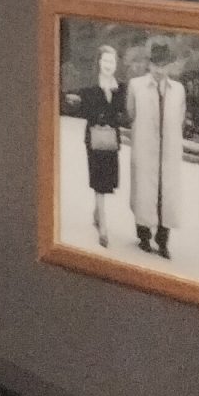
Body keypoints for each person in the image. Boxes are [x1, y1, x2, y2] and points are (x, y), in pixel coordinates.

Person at [126, 39, 188, 261]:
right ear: (149, 64)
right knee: (144, 190)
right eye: (155, 64)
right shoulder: (136, 86)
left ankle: (163, 241)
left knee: (166, 194)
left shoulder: (178, 90)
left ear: (169, 66)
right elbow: (131, 113)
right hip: (145, 147)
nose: (159, 70)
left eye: (163, 65)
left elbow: (180, 118)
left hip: (168, 150)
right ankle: (143, 236)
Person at [67, 43, 128, 249]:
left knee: (107, 180)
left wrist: (114, 114)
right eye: (105, 60)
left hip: (111, 140)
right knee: (98, 179)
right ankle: (103, 226)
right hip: (94, 138)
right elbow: (84, 110)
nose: (109, 65)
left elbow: (122, 113)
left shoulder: (120, 87)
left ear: (116, 64)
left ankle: (96, 212)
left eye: (112, 61)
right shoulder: (91, 87)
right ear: (99, 62)